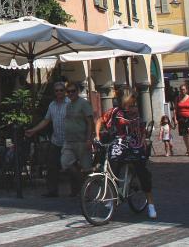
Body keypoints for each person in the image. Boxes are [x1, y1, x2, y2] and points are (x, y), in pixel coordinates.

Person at [96, 87, 157, 219]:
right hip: (119, 144)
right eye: (132, 98)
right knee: (113, 167)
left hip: (135, 144)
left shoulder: (134, 111)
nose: (134, 101)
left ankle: (151, 204)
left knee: (142, 172)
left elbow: (140, 128)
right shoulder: (114, 111)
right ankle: (113, 197)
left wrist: (142, 140)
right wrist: (97, 136)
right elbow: (100, 120)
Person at [25, 82, 68, 198]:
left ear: (65, 91)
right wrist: (33, 130)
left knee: (70, 166)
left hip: (69, 141)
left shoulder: (70, 104)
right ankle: (52, 191)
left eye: (61, 90)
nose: (59, 92)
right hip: (56, 140)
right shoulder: (52, 105)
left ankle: (77, 190)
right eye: (56, 90)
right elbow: (46, 120)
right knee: (52, 165)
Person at [60, 82, 95, 197]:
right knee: (65, 162)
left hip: (82, 140)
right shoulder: (68, 105)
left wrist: (89, 138)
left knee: (86, 168)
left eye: (73, 91)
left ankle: (87, 193)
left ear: (77, 91)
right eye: (68, 92)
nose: (70, 93)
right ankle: (81, 183)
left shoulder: (83, 104)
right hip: (69, 141)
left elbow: (90, 122)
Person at [175, 84, 189, 156]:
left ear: (186, 90)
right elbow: (175, 110)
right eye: (181, 89)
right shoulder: (177, 98)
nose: (182, 91)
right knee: (184, 134)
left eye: (184, 89)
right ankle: (187, 148)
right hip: (181, 118)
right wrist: (175, 119)